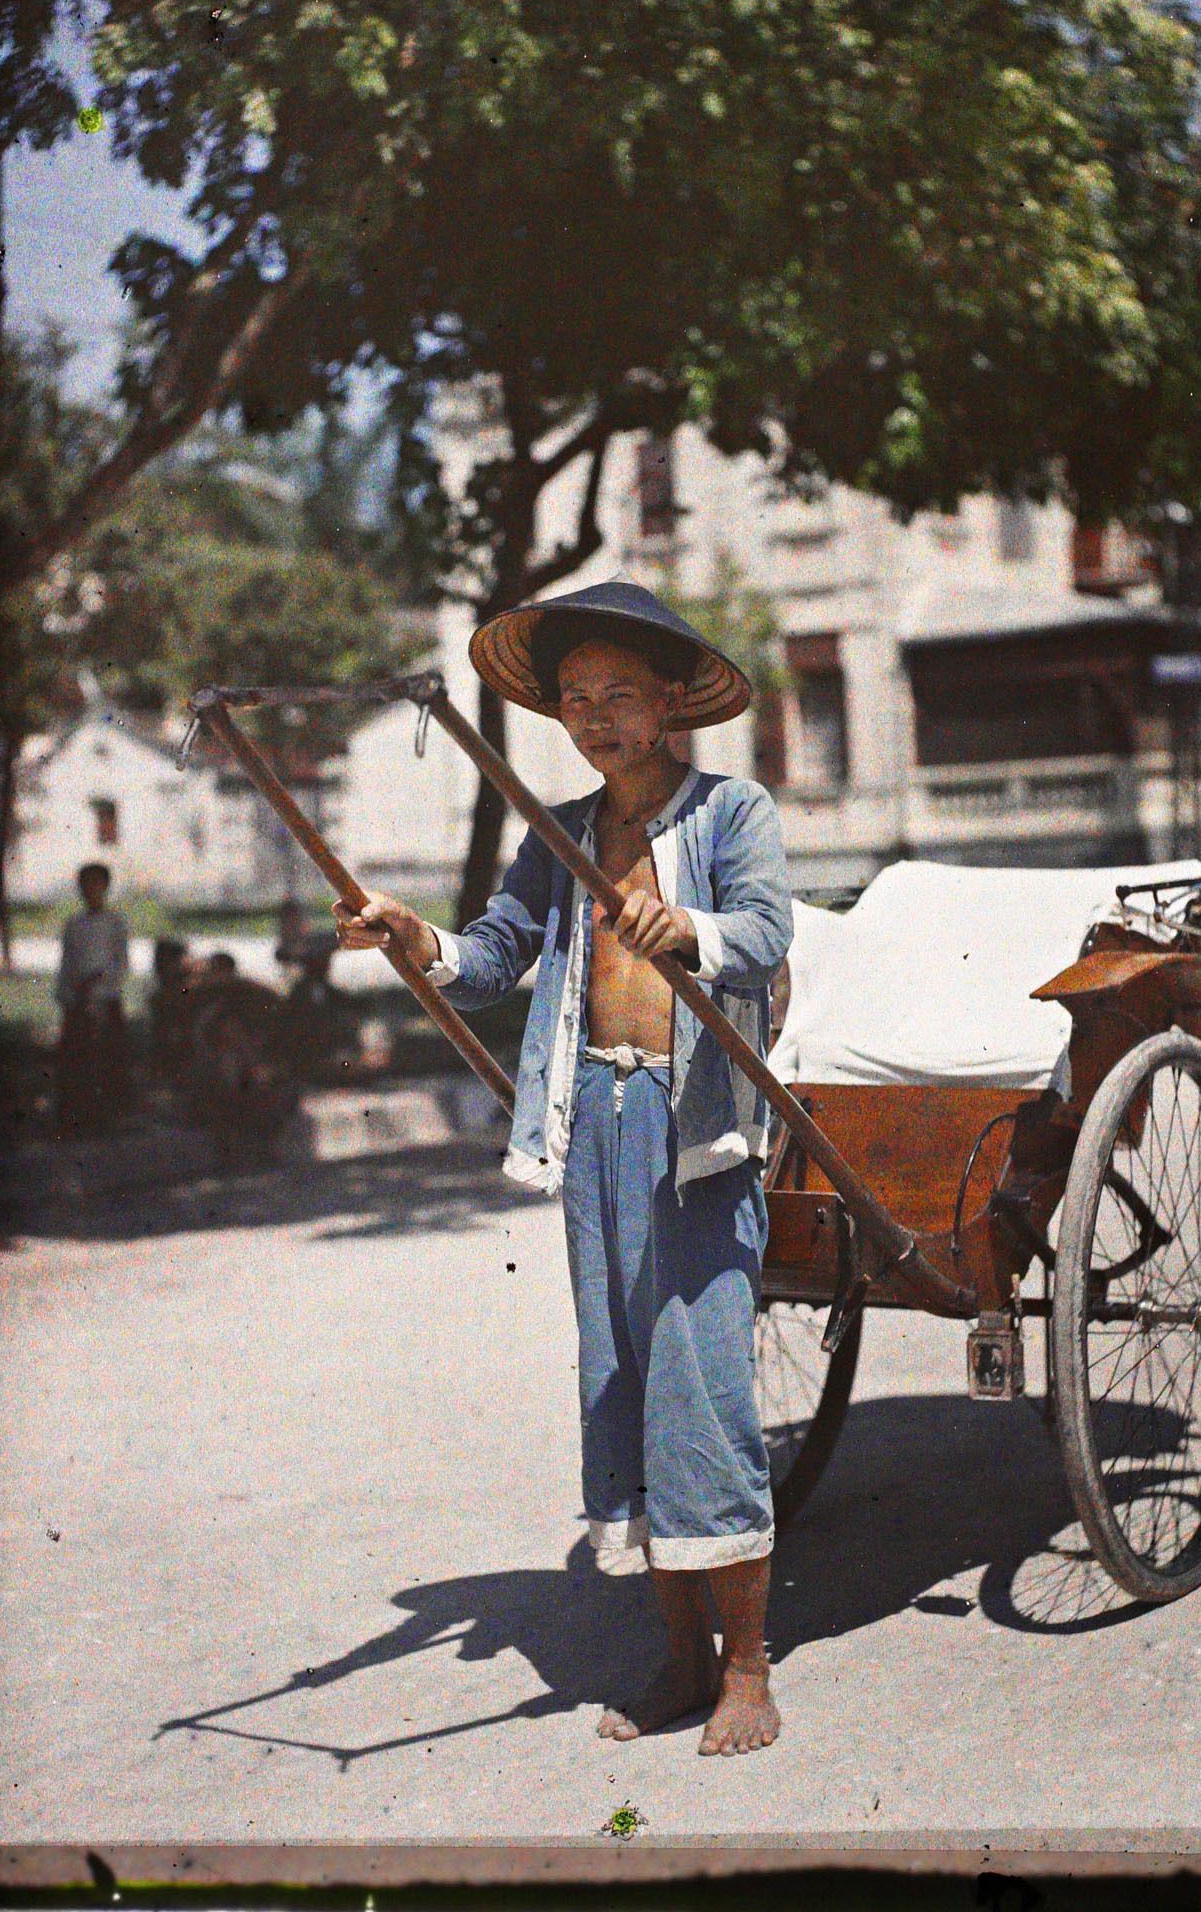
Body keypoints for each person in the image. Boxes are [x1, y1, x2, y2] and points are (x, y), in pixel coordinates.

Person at [334, 581, 794, 1756]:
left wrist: (689, 930)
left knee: (701, 1387)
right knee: (622, 1379)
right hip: (593, 1117)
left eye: (619, 694)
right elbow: (494, 954)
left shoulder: (731, 811)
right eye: (576, 697)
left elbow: (764, 932)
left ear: (673, 702)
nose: (594, 715)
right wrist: (414, 936)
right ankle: (680, 1658)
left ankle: (748, 1666)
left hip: (695, 1134)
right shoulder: (561, 833)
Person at [54, 861, 132, 1129]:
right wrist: (68, 994)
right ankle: (78, 1114)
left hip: (106, 997)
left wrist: (99, 983)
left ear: (105, 887)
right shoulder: (73, 924)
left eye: (96, 884)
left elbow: (121, 963)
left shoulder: (115, 922)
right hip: (77, 1000)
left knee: (108, 1057)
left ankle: (110, 1113)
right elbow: (66, 963)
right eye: (86, 884)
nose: (91, 889)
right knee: (77, 1059)